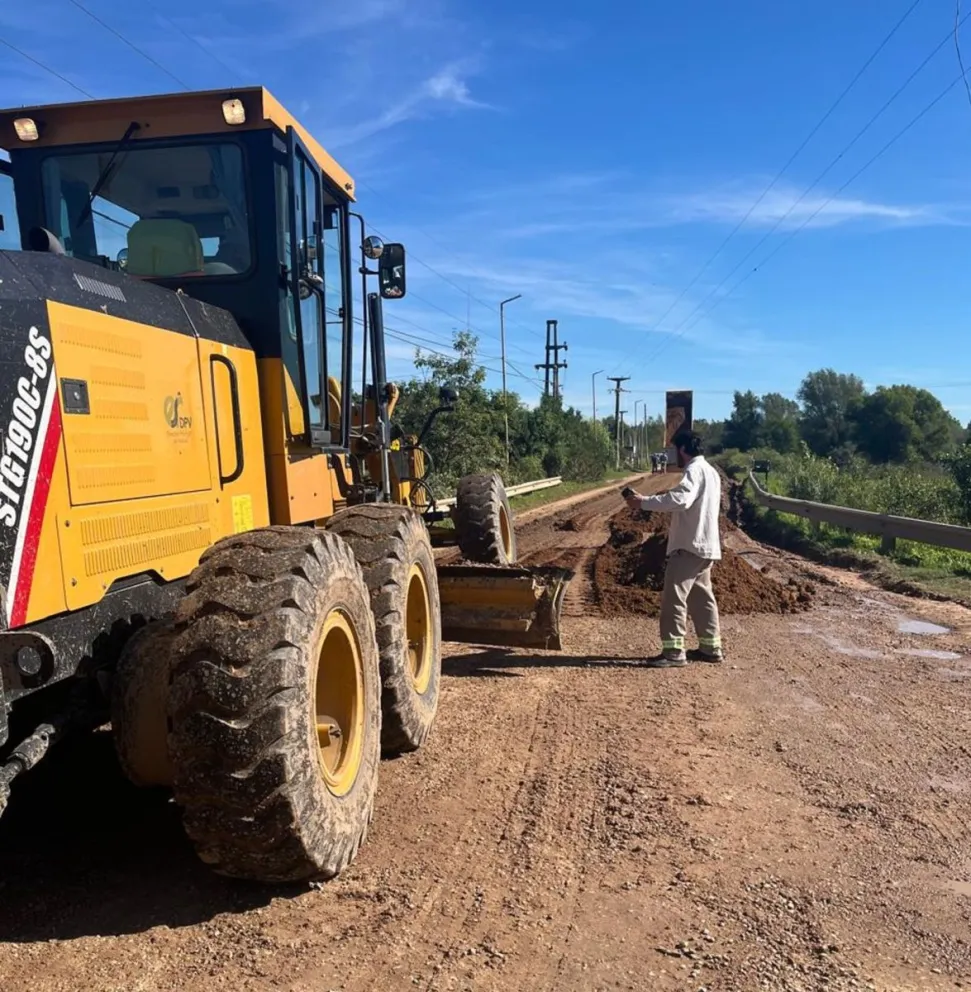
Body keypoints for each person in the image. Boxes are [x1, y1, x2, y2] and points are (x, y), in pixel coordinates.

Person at [624, 430, 723, 667]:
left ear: (682, 449)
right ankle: (711, 648)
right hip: (706, 545)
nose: (671, 456)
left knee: (674, 598)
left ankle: (674, 653)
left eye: (673, 450)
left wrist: (643, 503)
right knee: (702, 598)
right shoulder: (711, 472)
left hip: (688, 546)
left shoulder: (693, 471)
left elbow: (681, 499)